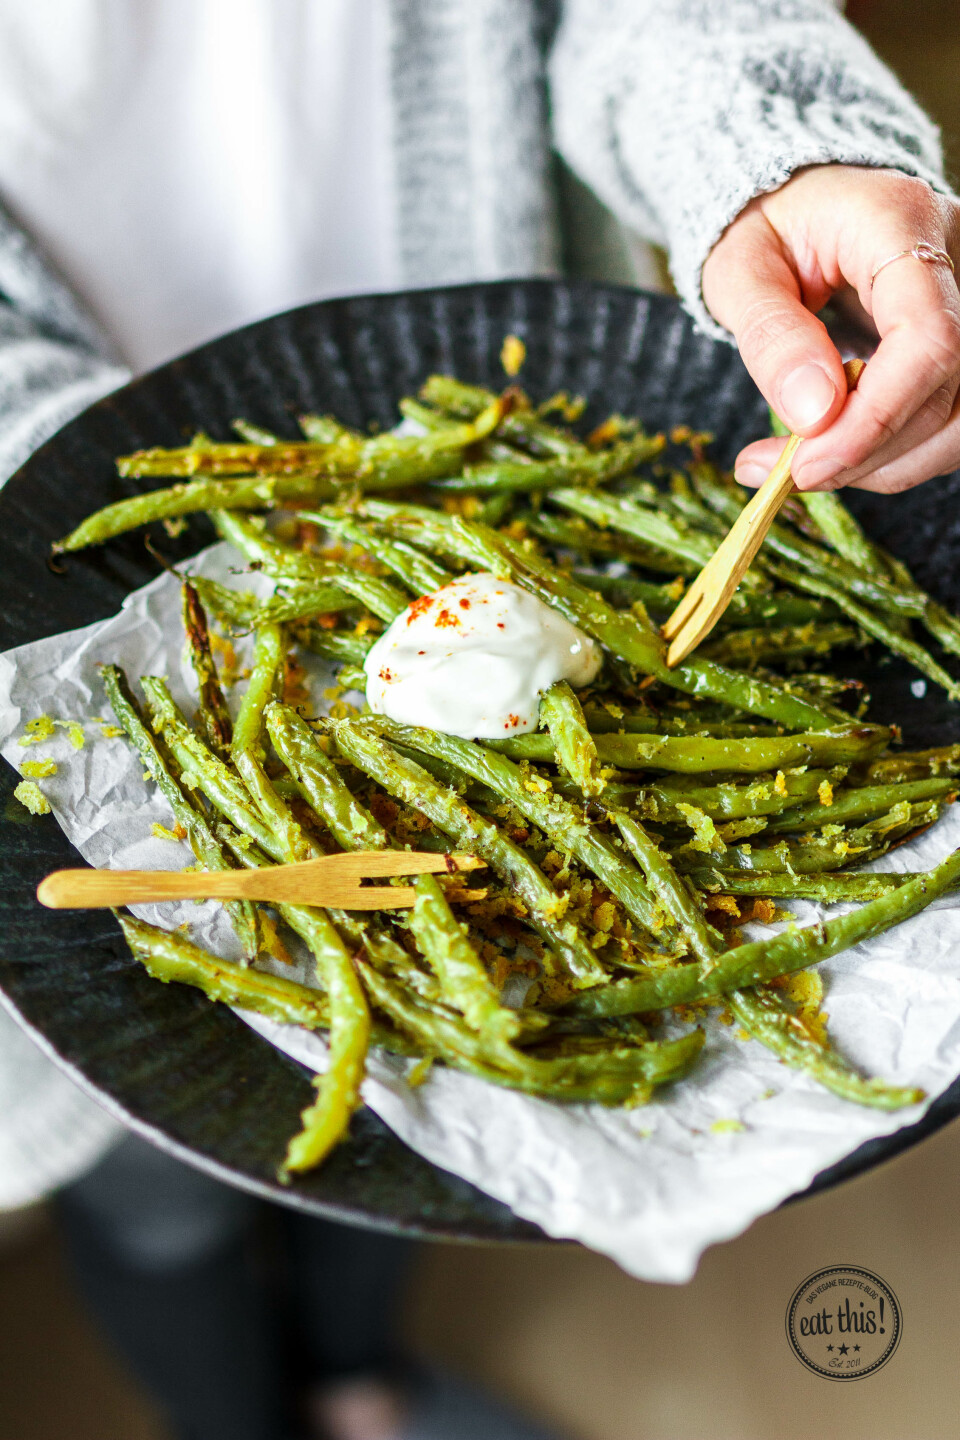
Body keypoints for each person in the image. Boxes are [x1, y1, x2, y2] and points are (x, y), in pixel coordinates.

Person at [1, 3, 958, 1437]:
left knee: (407, 1132)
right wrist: (73, 497)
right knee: (156, 1197)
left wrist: (773, 155)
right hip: (85, 618)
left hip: (499, 410)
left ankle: (360, 1389)